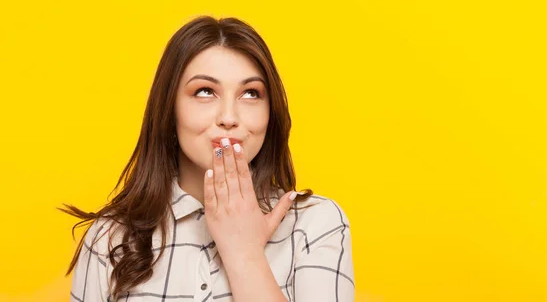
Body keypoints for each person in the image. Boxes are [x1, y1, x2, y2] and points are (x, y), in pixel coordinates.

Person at [62, 16, 355, 302]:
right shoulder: (110, 238)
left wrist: (244, 254)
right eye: (205, 92)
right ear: (170, 108)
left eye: (251, 93)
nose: (229, 118)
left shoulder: (317, 225)